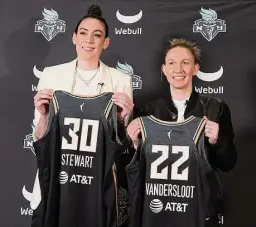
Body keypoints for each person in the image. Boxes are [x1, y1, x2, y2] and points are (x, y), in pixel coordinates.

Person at [31, 4, 133, 227]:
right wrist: (43, 114)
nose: (89, 40)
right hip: (58, 184)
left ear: (105, 42)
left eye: (97, 35)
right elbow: (39, 138)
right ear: (74, 37)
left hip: (97, 189)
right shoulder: (51, 75)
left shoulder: (120, 81)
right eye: (84, 33)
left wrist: (122, 120)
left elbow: (122, 145)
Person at [126, 38, 237, 227]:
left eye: (185, 63)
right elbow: (132, 169)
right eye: (172, 63)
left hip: (199, 209)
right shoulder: (147, 111)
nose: (178, 69)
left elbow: (228, 163)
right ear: (164, 69)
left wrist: (217, 140)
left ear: (195, 68)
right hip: (156, 208)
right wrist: (134, 143)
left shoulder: (215, 108)